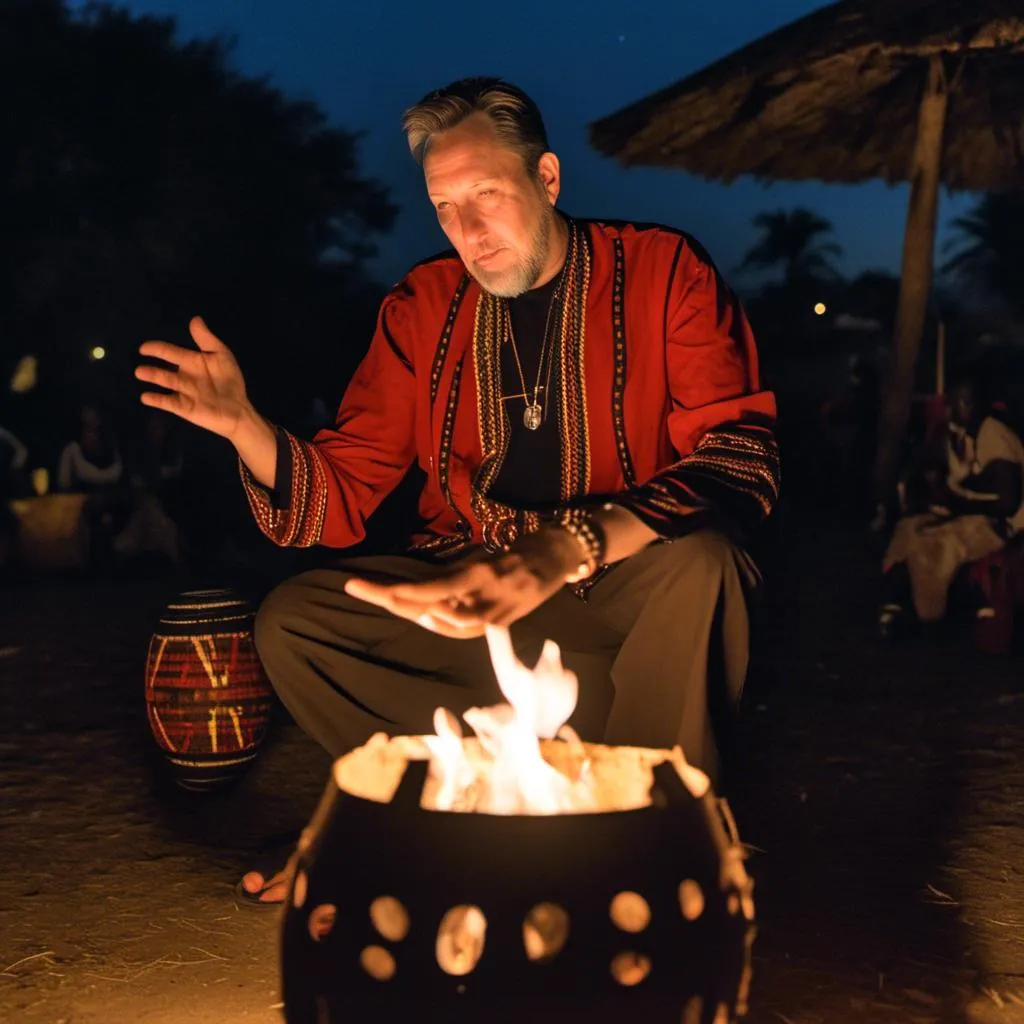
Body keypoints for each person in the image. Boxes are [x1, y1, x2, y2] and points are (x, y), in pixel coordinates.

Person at [136, 77, 779, 903]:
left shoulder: (663, 272)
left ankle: (637, 859)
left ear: (546, 179)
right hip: (480, 598)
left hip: (635, 599)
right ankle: (427, 815)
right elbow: (337, 500)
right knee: (298, 622)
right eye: (445, 207)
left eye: (487, 195)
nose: (469, 231)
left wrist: (568, 548)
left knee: (704, 566)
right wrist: (245, 429)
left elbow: (737, 461)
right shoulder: (422, 307)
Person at [879, 375, 1024, 636]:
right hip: (974, 516)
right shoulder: (962, 434)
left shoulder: (994, 436)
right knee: (910, 527)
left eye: (965, 402)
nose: (958, 408)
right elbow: (931, 467)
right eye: (955, 402)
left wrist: (956, 509)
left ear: (976, 405)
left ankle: (927, 613)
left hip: (1004, 526)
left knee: (939, 541)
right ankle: (896, 601)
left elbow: (1007, 503)